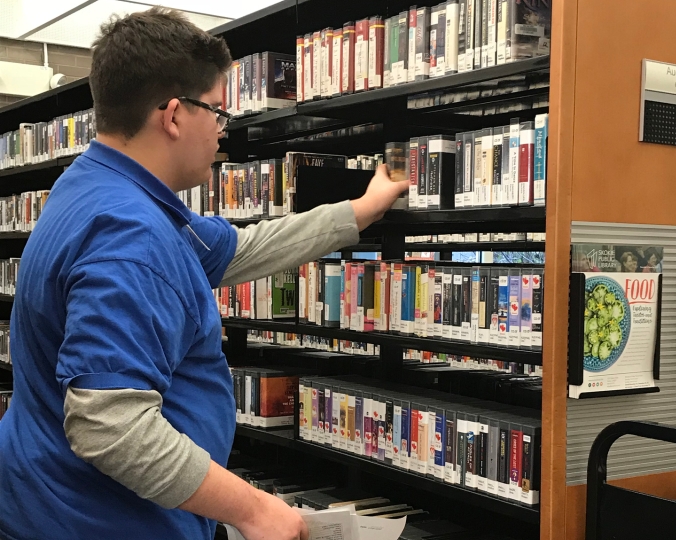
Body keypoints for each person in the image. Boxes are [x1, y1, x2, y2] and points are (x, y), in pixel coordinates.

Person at [0, 8, 407, 540]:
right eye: (217, 111)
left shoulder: (97, 187)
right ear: (173, 115)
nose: (222, 131)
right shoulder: (133, 236)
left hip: (46, 500)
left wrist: (360, 210)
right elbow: (109, 425)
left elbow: (237, 249)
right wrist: (252, 509)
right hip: (102, 521)